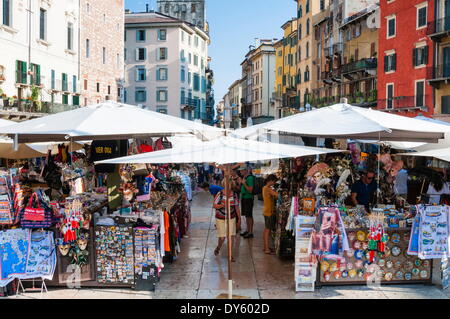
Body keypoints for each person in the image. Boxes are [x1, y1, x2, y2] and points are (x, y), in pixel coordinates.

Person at [213, 187, 241, 262]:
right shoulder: (220, 194)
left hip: (231, 217)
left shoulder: (234, 195)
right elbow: (214, 205)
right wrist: (222, 205)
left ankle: (230, 255)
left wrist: (239, 219)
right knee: (222, 237)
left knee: (231, 236)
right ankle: (218, 247)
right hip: (220, 218)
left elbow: (237, 207)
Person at [262, 174, 278, 254]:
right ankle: (266, 249)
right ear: (271, 181)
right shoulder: (267, 188)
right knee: (267, 230)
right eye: (274, 182)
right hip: (268, 212)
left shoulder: (266, 188)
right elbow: (276, 195)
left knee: (266, 230)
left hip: (267, 211)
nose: (274, 183)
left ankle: (266, 247)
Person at [239, 167, 255, 239]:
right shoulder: (245, 178)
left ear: (246, 170)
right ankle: (248, 230)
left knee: (249, 215)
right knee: (246, 215)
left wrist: (244, 183)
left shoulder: (250, 178)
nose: (240, 172)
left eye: (242, 170)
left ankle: (250, 232)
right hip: (244, 198)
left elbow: (250, 190)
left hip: (248, 198)